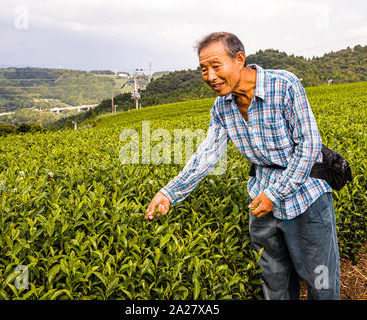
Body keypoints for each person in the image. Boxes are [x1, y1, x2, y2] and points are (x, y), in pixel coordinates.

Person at [145, 32, 340, 300]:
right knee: (274, 281)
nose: (210, 76)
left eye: (216, 66)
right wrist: (169, 193)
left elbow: (308, 145)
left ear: (239, 59)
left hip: (306, 196)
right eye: (203, 69)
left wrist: (275, 194)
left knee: (321, 281)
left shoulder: (284, 85)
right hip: (261, 200)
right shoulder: (221, 107)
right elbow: (207, 155)